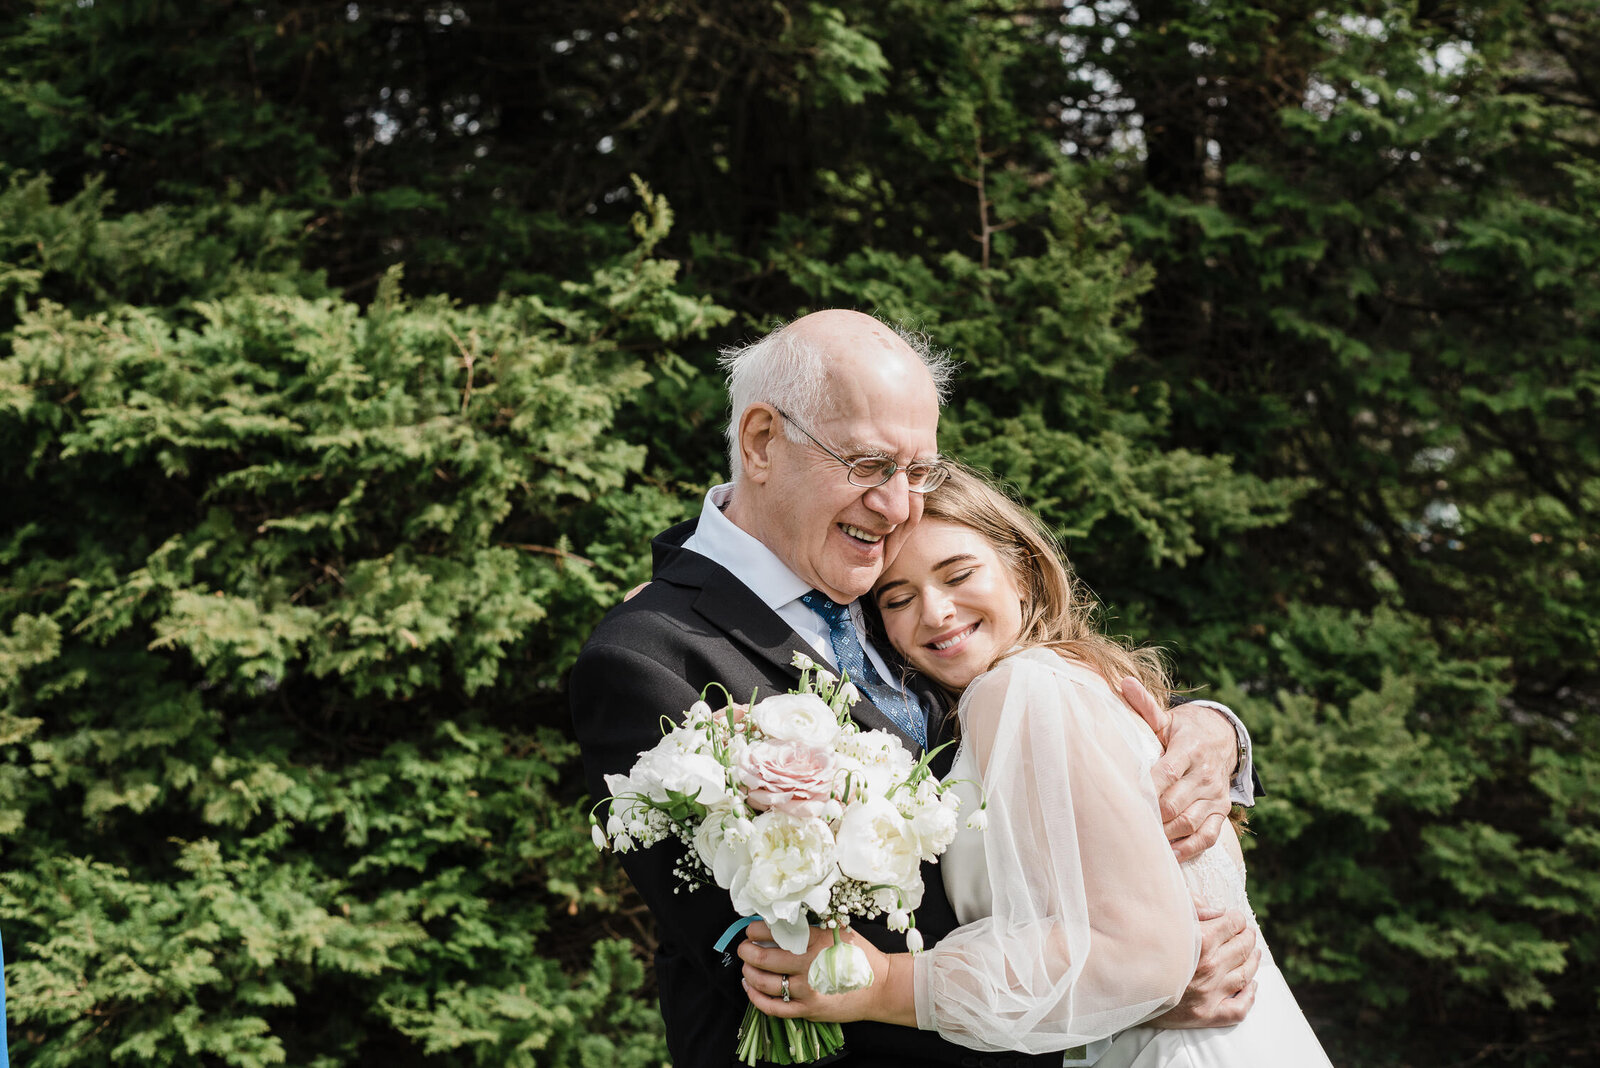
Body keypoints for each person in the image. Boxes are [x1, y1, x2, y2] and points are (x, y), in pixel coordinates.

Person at [569, 310, 1259, 1068]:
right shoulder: (645, 657)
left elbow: (1041, 711)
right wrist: (1117, 994)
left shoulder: (888, 577)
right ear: (762, 442)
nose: (900, 507)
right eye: (869, 465)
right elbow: (786, 971)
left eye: (919, 472)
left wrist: (1210, 728)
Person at [737, 465, 1332, 1066]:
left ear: (1021, 571)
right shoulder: (1062, 685)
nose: (938, 612)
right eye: (899, 598)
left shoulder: (1019, 689)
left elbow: (1144, 956)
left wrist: (888, 983)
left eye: (959, 574)